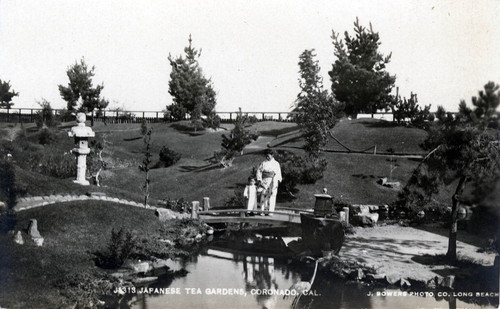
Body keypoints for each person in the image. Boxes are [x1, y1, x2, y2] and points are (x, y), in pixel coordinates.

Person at [256, 149, 282, 216]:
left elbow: (278, 173)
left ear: (272, 155)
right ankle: (263, 211)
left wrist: (276, 180)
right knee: (264, 195)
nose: (267, 157)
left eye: (268, 156)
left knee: (272, 196)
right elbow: (259, 171)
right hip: (264, 181)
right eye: (266, 156)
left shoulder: (276, 163)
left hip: (273, 181)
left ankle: (270, 211)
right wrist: (260, 180)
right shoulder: (263, 163)